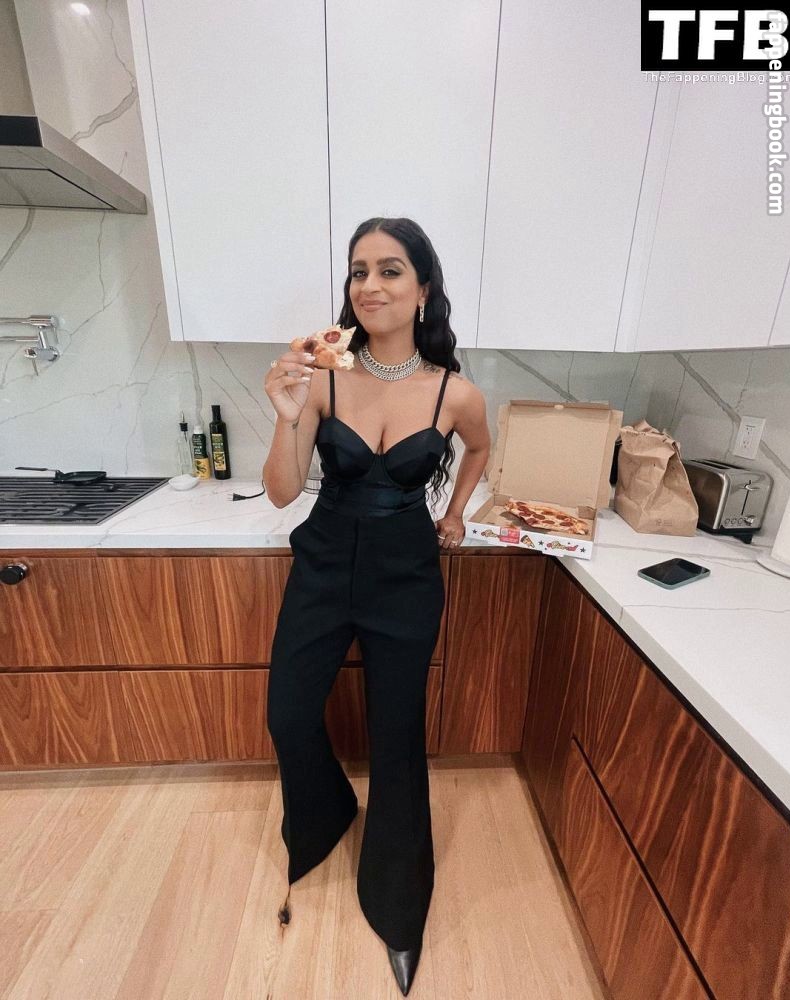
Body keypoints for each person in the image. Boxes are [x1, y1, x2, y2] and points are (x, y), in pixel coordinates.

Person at [262, 217, 491, 995]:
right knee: (289, 713)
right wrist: (286, 414)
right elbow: (282, 492)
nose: (370, 285)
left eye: (390, 270)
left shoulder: (456, 393)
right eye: (359, 271)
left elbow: (481, 449)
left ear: (423, 289)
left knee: (398, 736)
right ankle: (326, 814)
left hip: (405, 575)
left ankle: (397, 902)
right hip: (324, 564)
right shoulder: (323, 378)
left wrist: (456, 512)